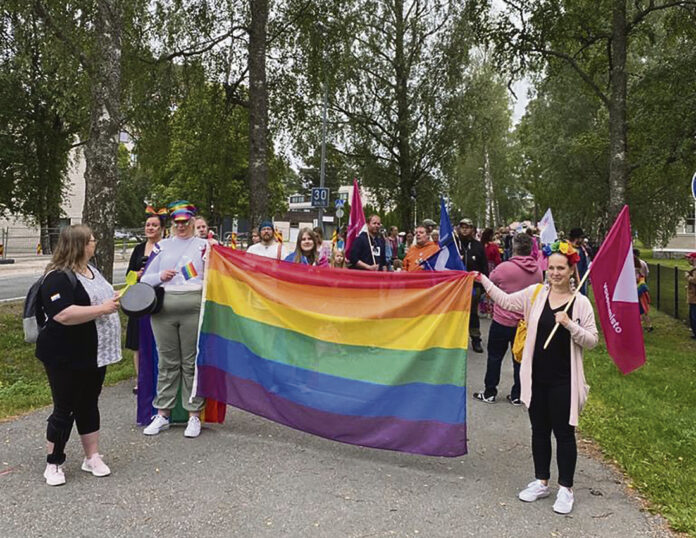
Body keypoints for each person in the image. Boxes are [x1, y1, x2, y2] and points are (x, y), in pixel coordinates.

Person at [475, 240, 598, 514]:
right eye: (551, 268)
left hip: (564, 380)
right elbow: (506, 301)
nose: (555, 273)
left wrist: (570, 326)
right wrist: (483, 279)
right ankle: (541, 481)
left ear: (571, 270)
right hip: (536, 377)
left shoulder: (580, 304)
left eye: (561, 268)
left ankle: (566, 488)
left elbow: (592, 341)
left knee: (564, 434)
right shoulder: (535, 294)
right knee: (539, 431)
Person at [36, 225, 122, 485]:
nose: (94, 243)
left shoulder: (92, 271)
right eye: (91, 240)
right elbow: (63, 313)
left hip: (94, 354)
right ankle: (54, 463)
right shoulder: (57, 277)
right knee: (65, 407)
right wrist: (102, 309)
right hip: (65, 354)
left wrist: (112, 299)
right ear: (80, 245)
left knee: (89, 403)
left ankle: (91, 456)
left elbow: (101, 299)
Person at [140, 201, 212, 438]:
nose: (181, 227)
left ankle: (194, 415)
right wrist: (160, 275)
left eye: (185, 223)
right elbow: (144, 280)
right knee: (167, 363)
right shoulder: (161, 246)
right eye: (177, 223)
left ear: (192, 222)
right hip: (164, 310)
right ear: (172, 224)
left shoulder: (205, 246)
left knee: (191, 363)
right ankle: (162, 414)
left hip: (193, 307)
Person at [473, 233, 543, 405]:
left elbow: (491, 283)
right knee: (520, 358)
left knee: (495, 357)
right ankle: (518, 394)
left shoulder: (504, 268)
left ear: (514, 247)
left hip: (502, 320)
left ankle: (490, 392)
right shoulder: (538, 271)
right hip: (524, 324)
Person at [125, 207, 165, 394]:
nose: (150, 228)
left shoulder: (166, 247)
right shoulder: (138, 249)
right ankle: (140, 379)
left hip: (159, 298)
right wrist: (137, 274)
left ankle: (160, 377)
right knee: (137, 341)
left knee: (159, 339)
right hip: (139, 298)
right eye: (148, 225)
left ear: (162, 229)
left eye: (154, 225)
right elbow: (128, 277)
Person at [456, 218, 488, 352]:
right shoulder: (454, 245)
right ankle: (456, 341)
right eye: (462, 227)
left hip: (473, 286)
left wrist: (483, 287)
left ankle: (475, 339)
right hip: (455, 287)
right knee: (456, 314)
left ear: (472, 229)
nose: (464, 229)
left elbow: (484, 267)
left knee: (473, 313)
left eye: (467, 227)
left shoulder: (478, 246)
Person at [633, 248, 653, 332]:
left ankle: (639, 326)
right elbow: (646, 273)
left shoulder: (635, 263)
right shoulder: (643, 263)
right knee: (643, 307)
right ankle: (648, 325)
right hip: (642, 285)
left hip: (637, 287)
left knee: (639, 308)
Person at [569, 228, 590, 295]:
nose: (582, 240)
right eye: (581, 238)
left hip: (581, 279)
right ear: (576, 238)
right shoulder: (568, 249)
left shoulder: (581, 249)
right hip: (571, 280)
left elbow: (584, 265)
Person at [686, 252, 696, 338]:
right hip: (693, 296)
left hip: (694, 298)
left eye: (689, 258)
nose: (688, 260)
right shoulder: (693, 269)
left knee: (694, 316)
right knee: (692, 315)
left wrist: (687, 277)